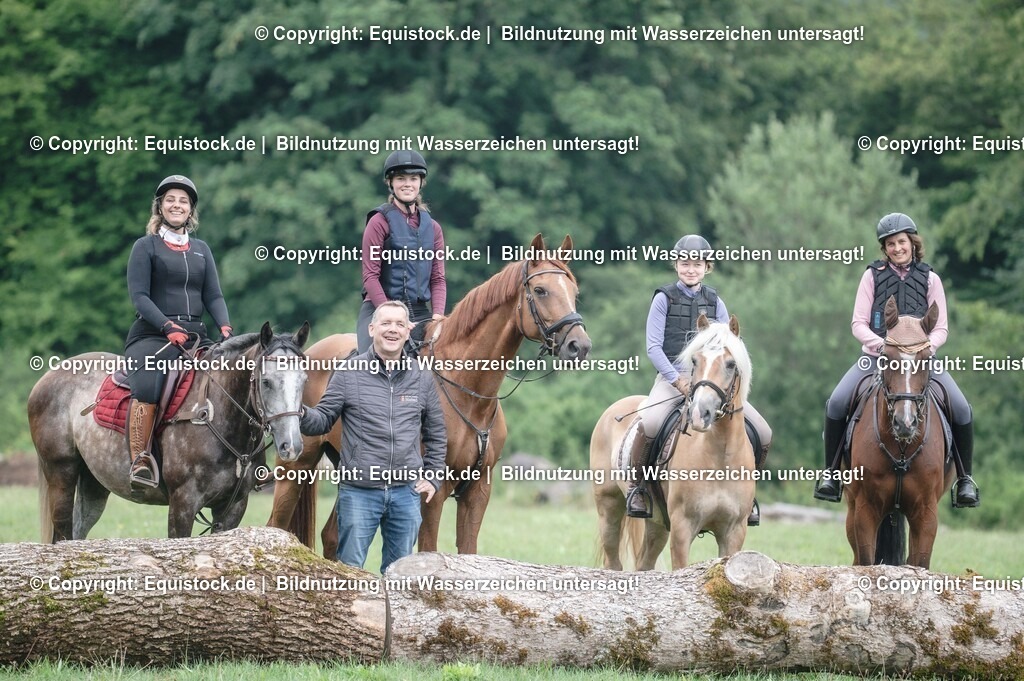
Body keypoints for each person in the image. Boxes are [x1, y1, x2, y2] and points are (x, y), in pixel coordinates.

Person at [814, 213, 979, 507]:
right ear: (885, 248)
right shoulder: (871, 276)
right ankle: (831, 475)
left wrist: (924, 348)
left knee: (962, 409)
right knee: (836, 403)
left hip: (921, 361)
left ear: (912, 243)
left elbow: (941, 328)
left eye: (901, 241)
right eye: (890, 244)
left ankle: (965, 480)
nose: (897, 248)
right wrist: (883, 346)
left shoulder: (931, 279)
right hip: (876, 359)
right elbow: (858, 323)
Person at [625, 235, 772, 525]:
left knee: (763, 432)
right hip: (672, 378)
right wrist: (677, 380)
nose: (690, 269)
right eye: (685, 263)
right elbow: (653, 347)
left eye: (697, 264)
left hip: (712, 381)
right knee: (651, 423)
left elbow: (730, 345)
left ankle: (748, 495)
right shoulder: (663, 298)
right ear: (676, 265)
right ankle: (638, 488)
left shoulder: (716, 301)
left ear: (707, 267)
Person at [300, 300, 448, 572]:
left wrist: (433, 476)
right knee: (350, 573)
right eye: (386, 323)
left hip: (406, 493)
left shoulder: (422, 376)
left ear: (407, 331)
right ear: (371, 329)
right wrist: (297, 413)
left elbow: (436, 433)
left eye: (400, 324)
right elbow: (322, 419)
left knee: (399, 576)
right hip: (359, 492)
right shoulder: (348, 372)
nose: (393, 330)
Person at [124, 175, 232, 490]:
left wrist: (225, 325)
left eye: (183, 201)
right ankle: (141, 458)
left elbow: (213, 295)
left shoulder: (201, 249)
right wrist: (167, 326)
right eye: (170, 199)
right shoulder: (145, 247)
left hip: (196, 336)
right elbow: (140, 297)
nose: (177, 205)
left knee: (233, 377)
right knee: (148, 385)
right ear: (160, 206)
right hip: (152, 336)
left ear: (190, 210)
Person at [357, 150, 447, 353]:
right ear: (390, 182)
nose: (407, 184)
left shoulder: (433, 228)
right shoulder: (378, 222)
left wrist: (437, 316)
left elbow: (438, 279)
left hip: (420, 312)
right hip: (379, 308)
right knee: (370, 364)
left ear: (421, 183)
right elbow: (370, 277)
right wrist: (392, 315)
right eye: (401, 178)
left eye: (413, 178)